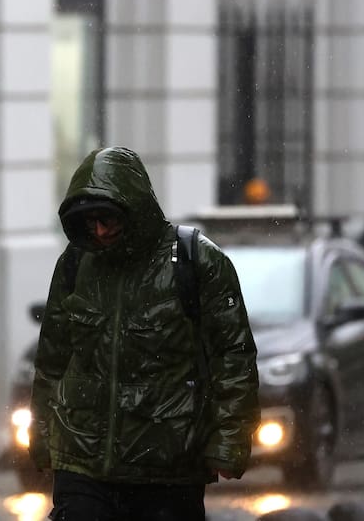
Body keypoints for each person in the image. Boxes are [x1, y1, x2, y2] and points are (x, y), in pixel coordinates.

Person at [29, 147, 260, 521]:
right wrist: (41, 435)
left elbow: (233, 357)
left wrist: (230, 440)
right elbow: (52, 360)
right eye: (91, 222)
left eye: (108, 220)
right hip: (83, 460)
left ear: (134, 210)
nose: (100, 232)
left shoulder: (196, 261)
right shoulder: (75, 264)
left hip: (167, 465)